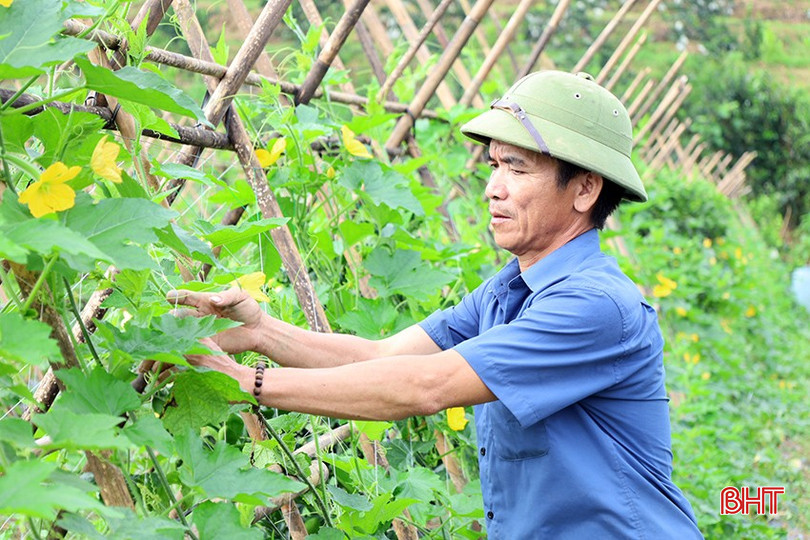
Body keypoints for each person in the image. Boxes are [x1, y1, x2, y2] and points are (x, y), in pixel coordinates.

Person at [168, 70, 703, 539]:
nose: (493, 188)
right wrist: (263, 332)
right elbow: (384, 357)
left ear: (585, 190)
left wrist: (245, 381)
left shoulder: (594, 305)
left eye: (517, 169)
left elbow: (426, 386)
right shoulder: (508, 291)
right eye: (494, 165)